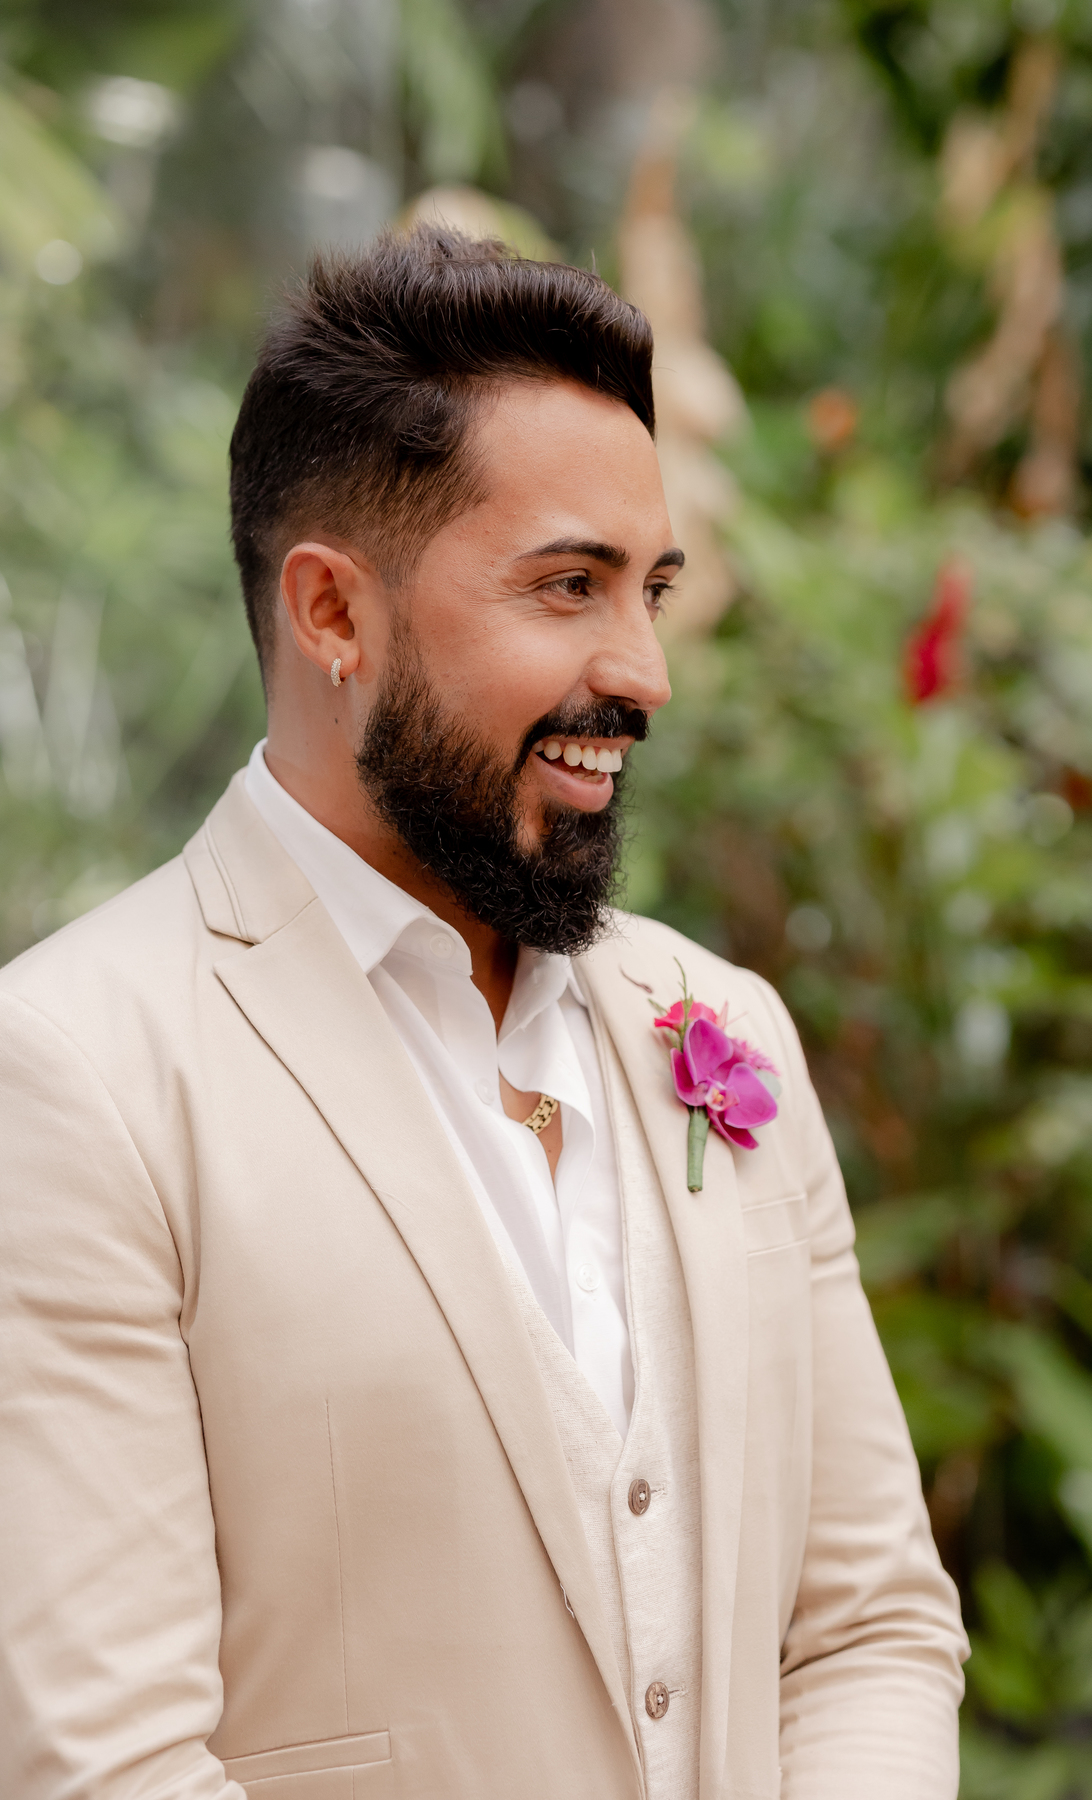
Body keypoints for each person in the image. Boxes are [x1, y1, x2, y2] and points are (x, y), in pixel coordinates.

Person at [0, 226, 967, 1799]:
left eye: (652, 590)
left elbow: (866, 1627)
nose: (644, 672)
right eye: (570, 587)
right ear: (334, 613)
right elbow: (105, 1766)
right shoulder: (72, 1074)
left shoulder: (722, 1025)